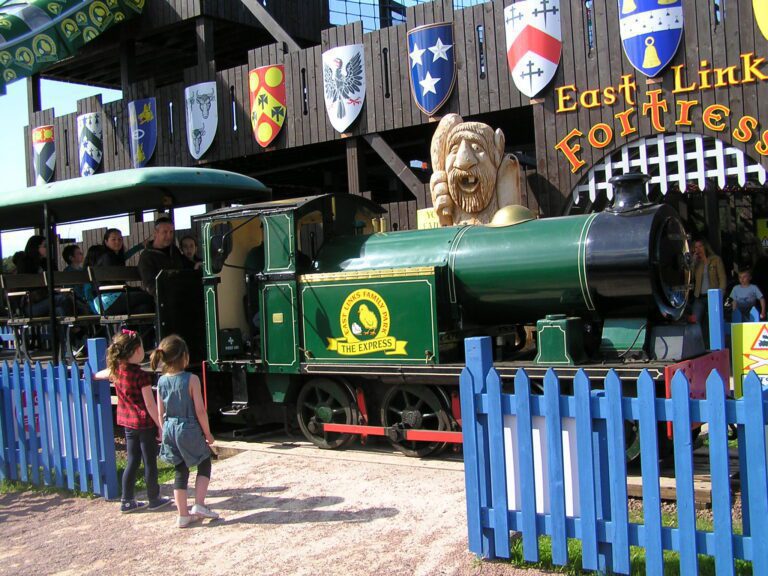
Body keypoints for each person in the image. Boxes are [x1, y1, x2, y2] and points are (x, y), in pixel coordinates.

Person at [151, 334, 218, 528]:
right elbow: (199, 410)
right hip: (188, 428)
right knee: (204, 462)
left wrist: (163, 432)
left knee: (180, 469)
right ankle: (199, 504)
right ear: (184, 357)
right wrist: (207, 433)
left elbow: (160, 411)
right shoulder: (192, 379)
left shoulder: (161, 381)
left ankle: (182, 515)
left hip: (170, 427)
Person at [101, 330, 172, 513]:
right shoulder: (141, 375)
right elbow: (150, 404)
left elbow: (103, 373)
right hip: (144, 423)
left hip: (128, 423)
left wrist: (92, 376)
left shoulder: (117, 371)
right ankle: (154, 498)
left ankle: (126, 500)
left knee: (132, 460)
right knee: (150, 461)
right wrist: (160, 425)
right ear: (137, 350)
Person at [92, 228, 154, 316]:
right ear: (106, 242)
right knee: (151, 296)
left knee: (144, 308)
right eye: (113, 239)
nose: (117, 242)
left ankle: (131, 330)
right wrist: (137, 289)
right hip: (109, 299)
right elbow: (116, 283)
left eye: (120, 239)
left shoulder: (114, 257)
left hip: (108, 301)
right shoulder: (107, 258)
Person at [138, 216, 185, 299]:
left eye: (171, 232)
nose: (169, 236)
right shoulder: (147, 256)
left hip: (182, 293)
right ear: (155, 233)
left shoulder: (174, 250)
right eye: (165, 232)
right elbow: (150, 285)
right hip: (162, 299)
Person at [692, 238, 727, 334]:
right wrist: (693, 263)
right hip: (699, 296)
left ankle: (716, 345)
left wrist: (721, 293)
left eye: (700, 246)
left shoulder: (716, 259)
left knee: (714, 322)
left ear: (705, 247)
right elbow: (689, 277)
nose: (698, 249)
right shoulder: (696, 263)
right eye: (696, 247)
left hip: (713, 296)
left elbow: (722, 277)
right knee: (696, 320)